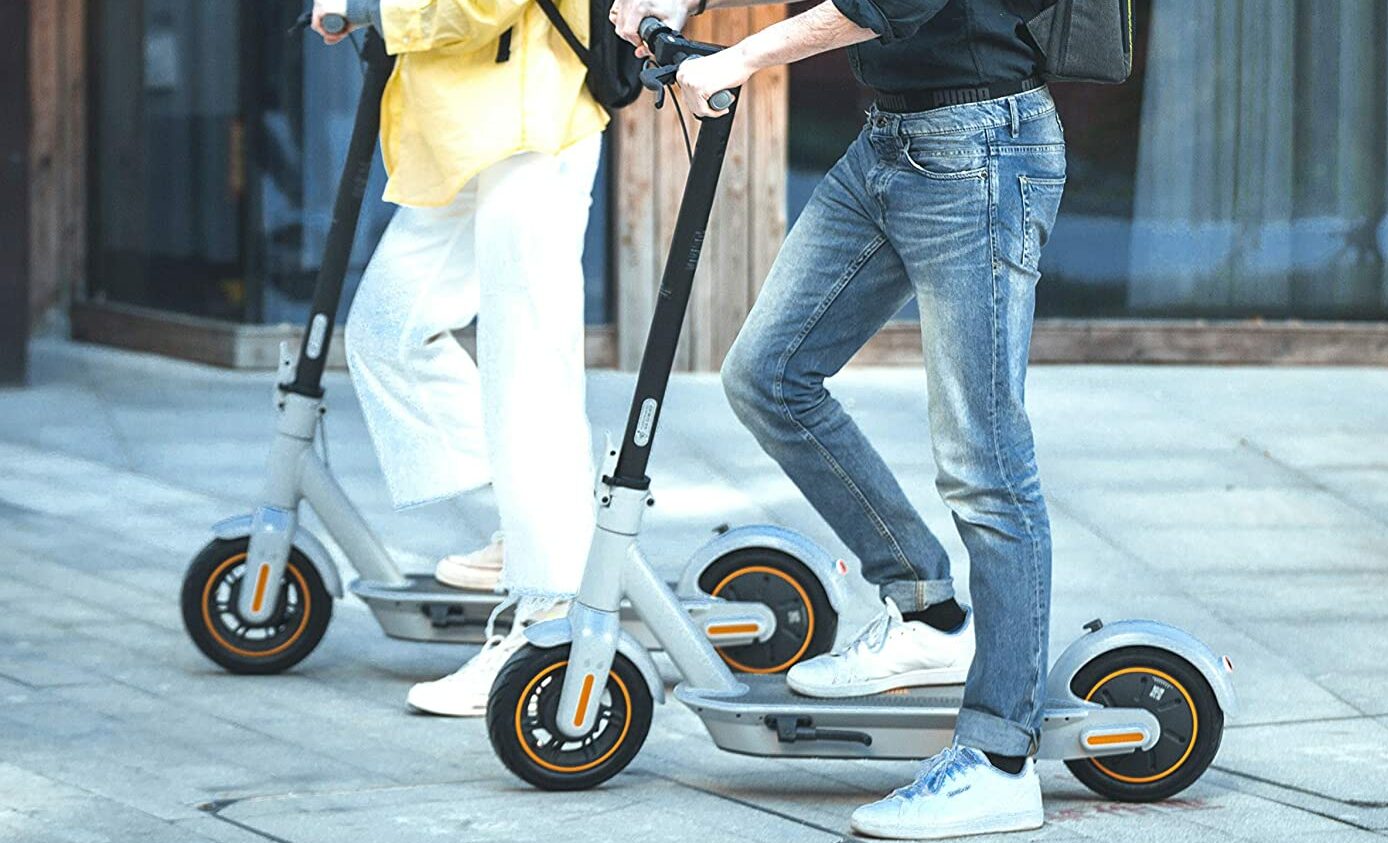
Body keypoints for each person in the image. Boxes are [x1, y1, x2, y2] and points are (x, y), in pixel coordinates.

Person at [612, 0, 1063, 837]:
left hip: (981, 149)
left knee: (985, 465)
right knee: (767, 375)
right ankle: (927, 613)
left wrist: (742, 58)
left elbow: (880, 5)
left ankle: (1000, 759)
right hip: (889, 141)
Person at [311, 0, 607, 716]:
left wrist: (368, 10)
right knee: (386, 329)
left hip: (531, 134)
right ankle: (534, 525)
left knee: (529, 380)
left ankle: (548, 623)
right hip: (462, 135)